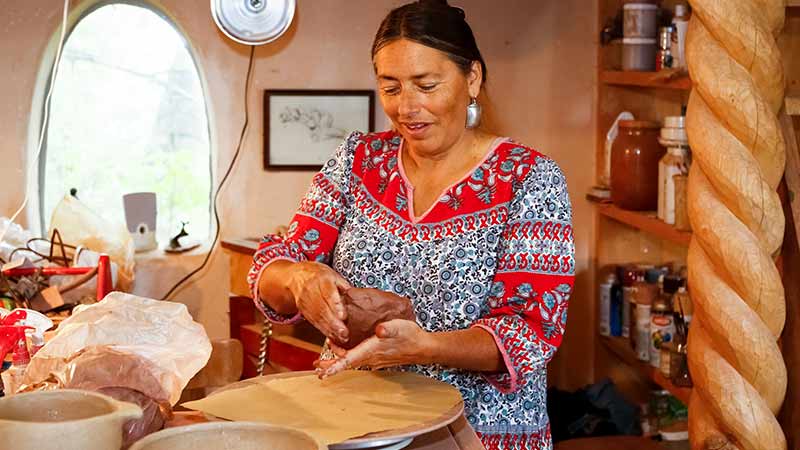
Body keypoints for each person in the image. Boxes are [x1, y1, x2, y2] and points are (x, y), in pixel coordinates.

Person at [248, 1, 575, 448]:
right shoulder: (357, 161)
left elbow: (530, 331)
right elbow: (274, 264)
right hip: (359, 426)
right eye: (391, 87)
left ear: (472, 78)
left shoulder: (528, 178)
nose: (406, 107)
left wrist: (424, 346)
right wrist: (298, 277)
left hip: (480, 432)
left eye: (426, 85)